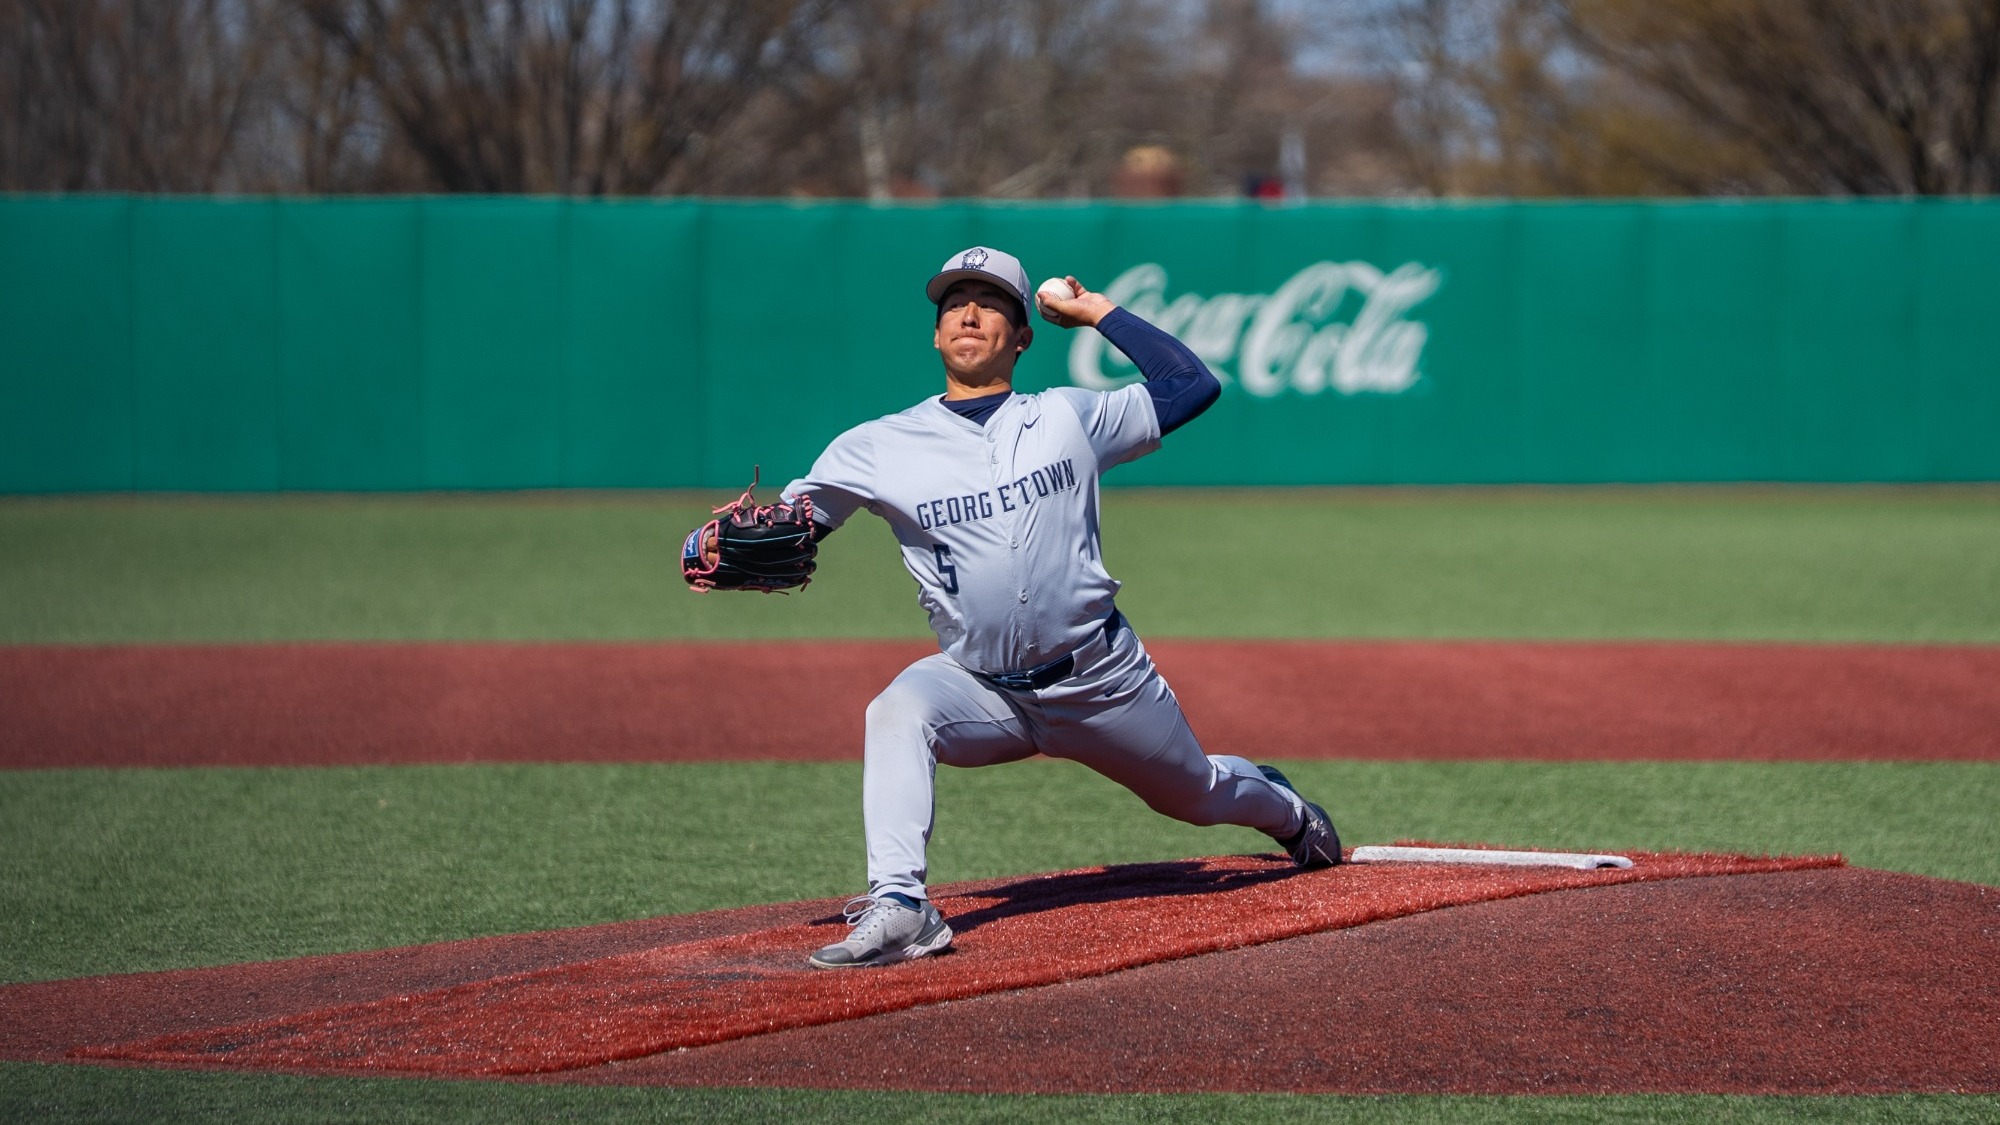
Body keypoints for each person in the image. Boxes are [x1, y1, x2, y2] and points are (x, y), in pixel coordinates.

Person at [752, 246, 1343, 968]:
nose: (970, 313)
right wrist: (713, 545)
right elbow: (784, 529)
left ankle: (1288, 812)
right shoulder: (878, 447)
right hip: (981, 685)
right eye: (954, 303)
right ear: (935, 334)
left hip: (1101, 682)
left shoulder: (1070, 415)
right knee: (897, 709)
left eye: (993, 302)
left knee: (1199, 792)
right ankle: (902, 904)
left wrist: (1096, 311)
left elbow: (1193, 383)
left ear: (1023, 334)